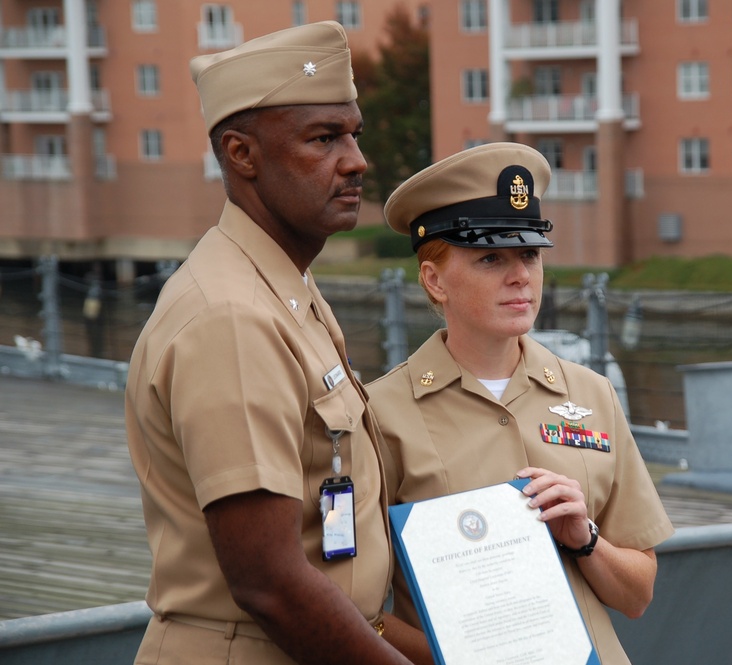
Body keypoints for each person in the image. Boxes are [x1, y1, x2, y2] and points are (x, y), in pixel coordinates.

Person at [125, 21, 429, 665]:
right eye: (323, 138)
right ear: (242, 154)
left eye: (354, 134)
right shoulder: (231, 316)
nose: (356, 160)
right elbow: (269, 585)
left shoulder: (283, 287)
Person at [366, 142, 676, 664]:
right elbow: (363, 611)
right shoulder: (379, 415)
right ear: (434, 279)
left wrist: (585, 539)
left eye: (529, 255)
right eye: (491, 257)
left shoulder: (591, 394)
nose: (520, 277)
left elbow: (638, 594)